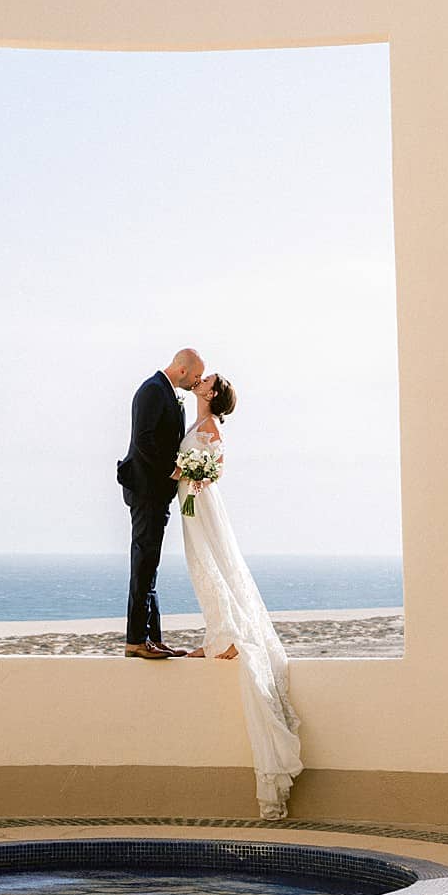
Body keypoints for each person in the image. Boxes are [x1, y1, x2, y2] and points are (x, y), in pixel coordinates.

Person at [177, 371, 304, 817]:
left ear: (211, 394)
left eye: (206, 380)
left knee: (211, 564)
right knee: (200, 566)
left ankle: (225, 634)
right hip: (189, 504)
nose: (200, 381)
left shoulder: (209, 430)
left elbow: (215, 471)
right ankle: (220, 632)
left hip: (200, 505)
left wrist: (187, 474)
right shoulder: (194, 424)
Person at [116, 348, 203, 660]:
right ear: (182, 369)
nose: (197, 383)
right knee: (143, 562)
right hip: (146, 490)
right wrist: (173, 470)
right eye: (195, 377)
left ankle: (152, 637)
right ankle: (136, 640)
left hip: (156, 492)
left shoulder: (167, 391)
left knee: (150, 564)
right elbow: (144, 439)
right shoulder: (153, 390)